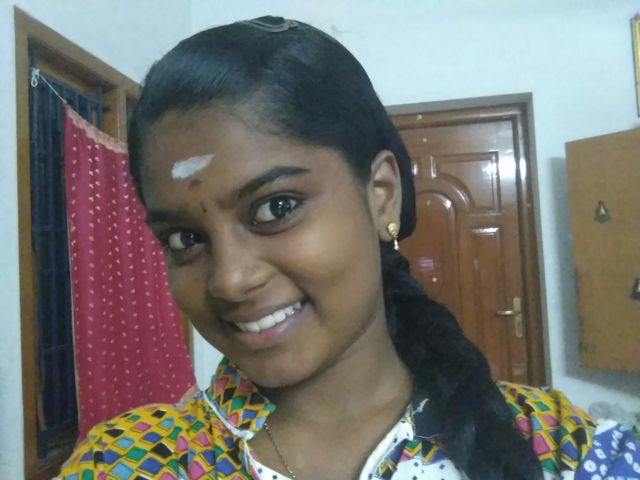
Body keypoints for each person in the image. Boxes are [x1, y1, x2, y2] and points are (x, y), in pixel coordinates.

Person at [57, 16, 639, 480]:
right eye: (185, 239)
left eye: (275, 208)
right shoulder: (130, 464)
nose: (230, 280)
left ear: (381, 196)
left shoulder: (563, 448)